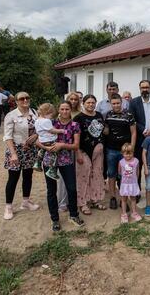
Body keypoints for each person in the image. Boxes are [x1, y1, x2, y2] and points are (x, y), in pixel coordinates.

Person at [36, 101, 85, 231]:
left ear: (70, 110)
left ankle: (73, 215)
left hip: (66, 160)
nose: (64, 111)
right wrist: (47, 147)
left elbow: (75, 145)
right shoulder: (49, 122)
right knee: (51, 190)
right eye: (62, 109)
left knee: (72, 188)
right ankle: (55, 219)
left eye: (67, 109)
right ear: (58, 110)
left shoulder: (74, 125)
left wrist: (61, 145)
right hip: (49, 160)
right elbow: (37, 139)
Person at [2, 92, 40, 220]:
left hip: (30, 150)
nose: (25, 100)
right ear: (16, 101)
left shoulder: (34, 112)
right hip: (16, 150)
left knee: (28, 176)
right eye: (21, 98)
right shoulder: (11, 115)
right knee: (13, 178)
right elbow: (7, 136)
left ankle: (26, 201)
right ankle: (8, 207)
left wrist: (36, 135)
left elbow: (40, 128)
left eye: (27, 97)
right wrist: (13, 154)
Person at [74, 94, 107, 215]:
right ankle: (82, 203)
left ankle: (95, 199)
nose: (91, 104)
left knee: (97, 175)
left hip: (98, 151)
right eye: (88, 102)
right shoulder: (78, 118)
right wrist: (78, 153)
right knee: (83, 177)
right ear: (83, 103)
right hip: (84, 151)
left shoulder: (99, 115)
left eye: (93, 102)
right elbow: (75, 138)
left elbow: (102, 131)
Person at [129, 80, 150, 196]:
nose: (145, 89)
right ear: (139, 88)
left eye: (147, 87)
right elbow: (132, 120)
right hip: (139, 138)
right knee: (138, 166)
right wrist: (144, 130)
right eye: (142, 87)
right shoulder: (133, 102)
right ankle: (137, 192)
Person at [104, 93, 137, 210]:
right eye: (113, 103)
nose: (116, 105)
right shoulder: (108, 115)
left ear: (121, 102)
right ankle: (113, 198)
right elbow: (106, 131)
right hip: (111, 150)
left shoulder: (128, 115)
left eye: (118, 103)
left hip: (125, 152)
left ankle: (124, 199)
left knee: (125, 176)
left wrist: (131, 147)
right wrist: (103, 128)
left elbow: (133, 132)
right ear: (111, 104)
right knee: (111, 174)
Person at [33, 103, 66, 180]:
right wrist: (61, 130)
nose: (52, 117)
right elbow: (51, 130)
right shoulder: (46, 121)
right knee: (54, 155)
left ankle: (37, 163)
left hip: (42, 140)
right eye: (51, 114)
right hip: (50, 140)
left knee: (42, 150)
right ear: (46, 112)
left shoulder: (37, 120)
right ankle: (51, 170)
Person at [119, 143, 142, 223]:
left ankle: (134, 213)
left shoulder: (136, 161)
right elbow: (120, 172)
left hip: (133, 183)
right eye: (126, 154)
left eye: (130, 153)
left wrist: (135, 180)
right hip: (125, 184)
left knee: (133, 198)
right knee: (124, 199)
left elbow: (137, 172)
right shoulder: (121, 162)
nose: (128, 156)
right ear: (122, 153)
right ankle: (124, 214)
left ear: (133, 152)